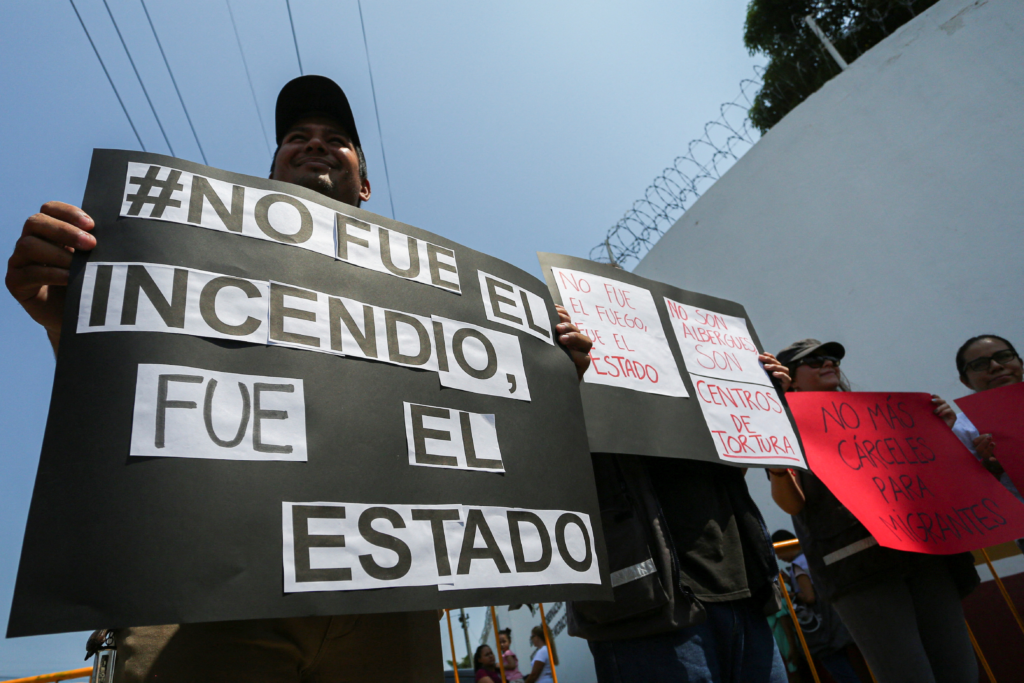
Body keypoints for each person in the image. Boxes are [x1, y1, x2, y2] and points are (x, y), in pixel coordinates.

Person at [5, 75, 595, 682]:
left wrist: (547, 382)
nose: (314, 144)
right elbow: (141, 397)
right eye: (296, 137)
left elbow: (481, 434)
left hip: (391, 602)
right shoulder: (190, 256)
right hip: (207, 595)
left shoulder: (435, 303)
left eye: (336, 139)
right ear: (270, 177)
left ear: (364, 183)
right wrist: (67, 325)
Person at [567, 353, 793, 683]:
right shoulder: (571, 355)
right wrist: (562, 371)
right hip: (646, 610)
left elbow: (733, 469)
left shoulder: (691, 358)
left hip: (742, 592)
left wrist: (756, 401)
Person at [768, 339, 980, 683]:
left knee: (960, 670)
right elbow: (792, 503)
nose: (829, 363)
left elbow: (934, 477)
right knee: (907, 674)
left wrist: (941, 432)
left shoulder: (882, 414)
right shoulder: (784, 427)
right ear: (790, 378)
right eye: (815, 361)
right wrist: (777, 466)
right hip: (857, 569)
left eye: (832, 358)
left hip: (924, 555)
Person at [771, 530, 863, 683]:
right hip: (836, 624)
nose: (779, 557)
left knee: (842, 674)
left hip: (822, 633)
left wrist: (790, 595)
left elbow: (809, 597)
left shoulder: (797, 566)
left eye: (778, 552)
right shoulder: (809, 558)